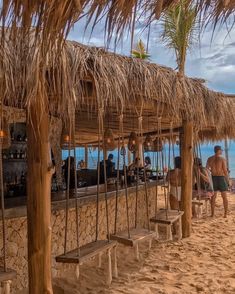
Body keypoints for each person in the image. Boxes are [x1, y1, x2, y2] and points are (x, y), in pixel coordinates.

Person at [206, 146, 229, 218]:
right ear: (218, 150)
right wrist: (227, 180)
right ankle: (225, 214)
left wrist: (211, 172)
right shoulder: (222, 159)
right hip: (221, 178)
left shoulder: (209, 159)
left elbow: (206, 169)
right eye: (221, 150)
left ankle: (212, 214)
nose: (222, 151)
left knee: (213, 197)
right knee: (224, 197)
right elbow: (225, 171)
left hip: (213, 178)